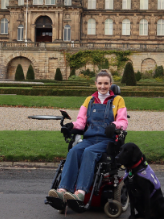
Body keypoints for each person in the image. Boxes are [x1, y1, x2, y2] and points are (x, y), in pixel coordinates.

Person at [48, 70, 128, 203]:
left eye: (106, 83)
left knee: (88, 152)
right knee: (74, 151)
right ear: (95, 83)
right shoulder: (88, 100)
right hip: (90, 138)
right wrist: (71, 126)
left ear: (111, 84)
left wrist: (114, 126)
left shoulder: (118, 100)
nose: (103, 86)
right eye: (100, 83)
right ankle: (62, 190)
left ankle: (80, 192)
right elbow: (81, 122)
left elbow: (123, 121)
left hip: (106, 140)